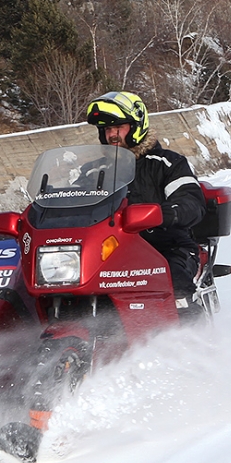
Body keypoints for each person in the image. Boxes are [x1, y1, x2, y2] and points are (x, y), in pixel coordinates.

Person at [85, 91, 207, 316]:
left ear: (136, 126)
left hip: (165, 247)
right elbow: (70, 204)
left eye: (118, 127)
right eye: (107, 129)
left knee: (174, 284)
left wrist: (163, 213)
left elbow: (191, 201)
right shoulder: (94, 171)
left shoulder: (168, 163)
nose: (112, 135)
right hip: (109, 251)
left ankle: (191, 335)